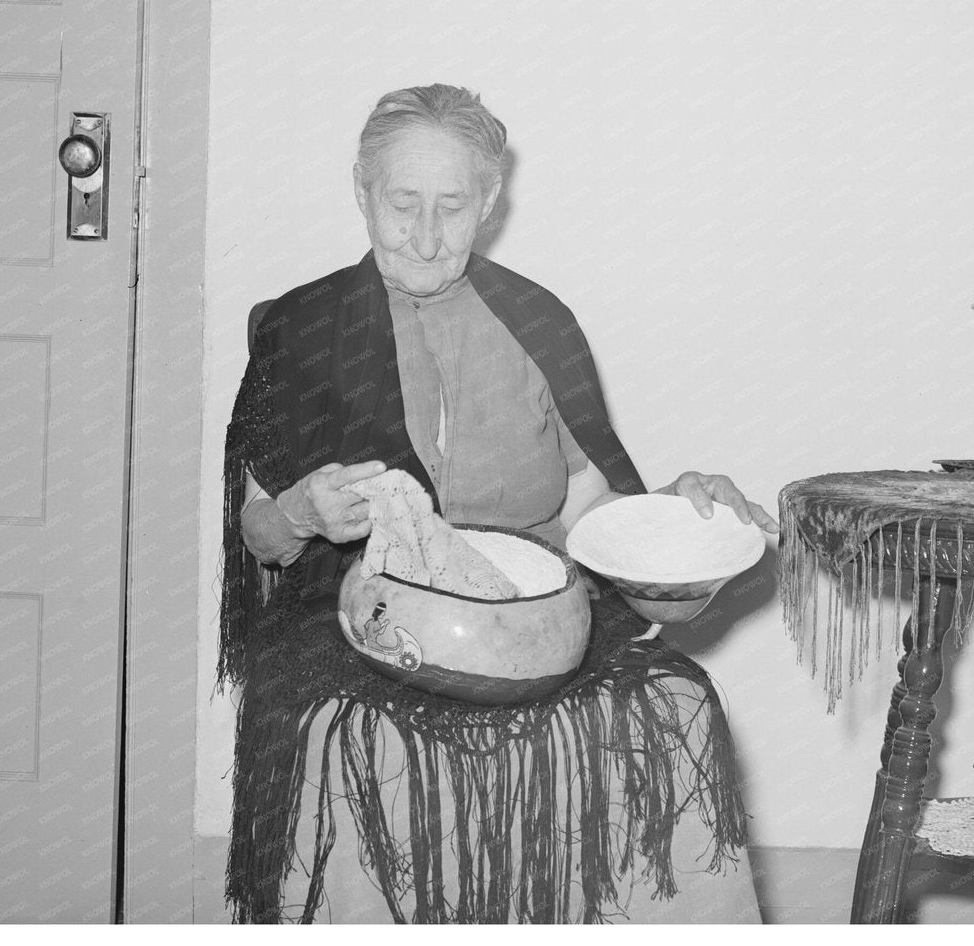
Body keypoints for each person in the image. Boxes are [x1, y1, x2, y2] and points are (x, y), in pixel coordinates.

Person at [220, 84, 775, 924]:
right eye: (403, 202)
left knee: (678, 702)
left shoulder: (539, 320)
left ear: (490, 203)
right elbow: (259, 535)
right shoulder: (299, 326)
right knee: (363, 743)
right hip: (362, 618)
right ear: (362, 192)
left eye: (453, 204)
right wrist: (300, 512)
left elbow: (594, 514)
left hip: (533, 613)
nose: (427, 233)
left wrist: (677, 516)